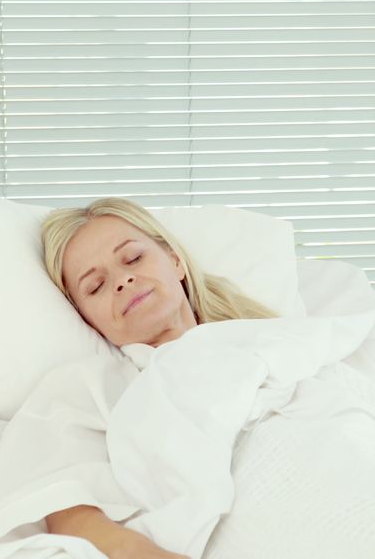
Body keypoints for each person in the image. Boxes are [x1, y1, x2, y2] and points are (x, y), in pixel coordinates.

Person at [38, 197, 277, 558]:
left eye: (133, 258)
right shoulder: (94, 388)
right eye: (95, 286)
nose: (123, 280)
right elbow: (64, 504)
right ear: (87, 319)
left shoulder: (283, 341)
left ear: (176, 261)